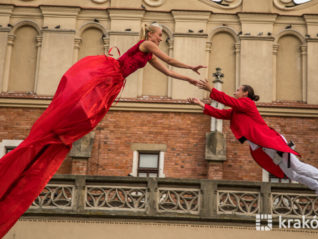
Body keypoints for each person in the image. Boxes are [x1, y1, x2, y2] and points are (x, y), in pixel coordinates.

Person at [0, 22, 205, 237]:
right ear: (151, 34)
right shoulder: (146, 45)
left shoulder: (148, 55)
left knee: (89, 118)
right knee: (82, 109)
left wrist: (189, 79)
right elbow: (170, 59)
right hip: (108, 76)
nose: (161, 39)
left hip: (114, 84)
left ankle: (66, 128)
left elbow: (168, 71)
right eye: (160, 35)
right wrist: (191, 67)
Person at [188, 79, 318, 209]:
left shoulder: (247, 103)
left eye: (237, 90)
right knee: (291, 173)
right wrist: (200, 104)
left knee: (297, 166)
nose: (235, 92)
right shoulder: (236, 111)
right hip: (264, 147)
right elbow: (220, 113)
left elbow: (230, 101)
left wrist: (211, 89)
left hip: (271, 141)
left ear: (245, 93)